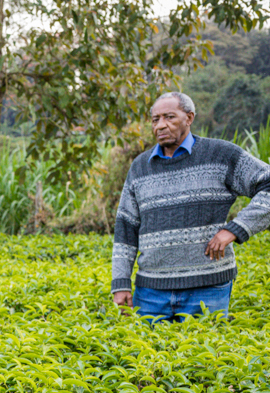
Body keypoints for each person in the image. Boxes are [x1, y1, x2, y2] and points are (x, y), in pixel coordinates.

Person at [112, 91, 270, 322]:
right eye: (155, 119)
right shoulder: (140, 167)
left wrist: (234, 230)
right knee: (145, 356)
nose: (161, 125)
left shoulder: (221, 155)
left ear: (189, 118)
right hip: (150, 293)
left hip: (208, 288)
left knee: (201, 357)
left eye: (169, 117)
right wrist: (121, 283)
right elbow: (125, 228)